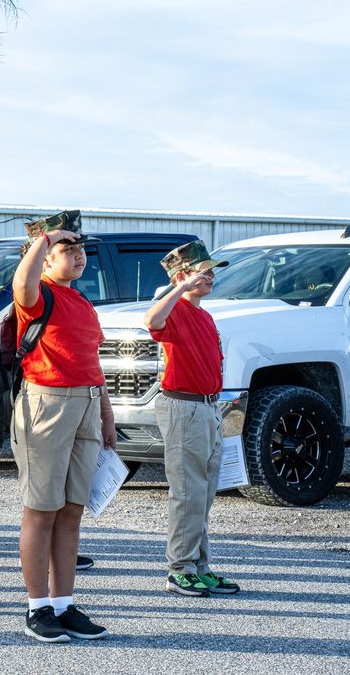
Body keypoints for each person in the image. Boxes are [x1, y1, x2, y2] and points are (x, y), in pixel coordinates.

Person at [11, 210, 115, 643]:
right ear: (45, 258)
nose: (78, 255)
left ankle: (63, 603)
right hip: (48, 405)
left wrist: (107, 417)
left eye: (80, 249)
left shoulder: (83, 302)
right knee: (42, 508)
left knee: (72, 510)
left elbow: (94, 364)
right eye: (66, 249)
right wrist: (46, 236)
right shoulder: (39, 295)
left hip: (87, 404)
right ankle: (37, 607)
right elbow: (21, 284)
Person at [144, 241, 240, 598]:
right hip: (184, 407)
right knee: (187, 492)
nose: (211, 276)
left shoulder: (203, 314)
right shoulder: (176, 309)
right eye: (204, 270)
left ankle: (200, 565)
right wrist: (179, 288)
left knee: (204, 491)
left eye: (212, 270)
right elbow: (151, 320)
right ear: (183, 276)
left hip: (208, 406)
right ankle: (179, 569)